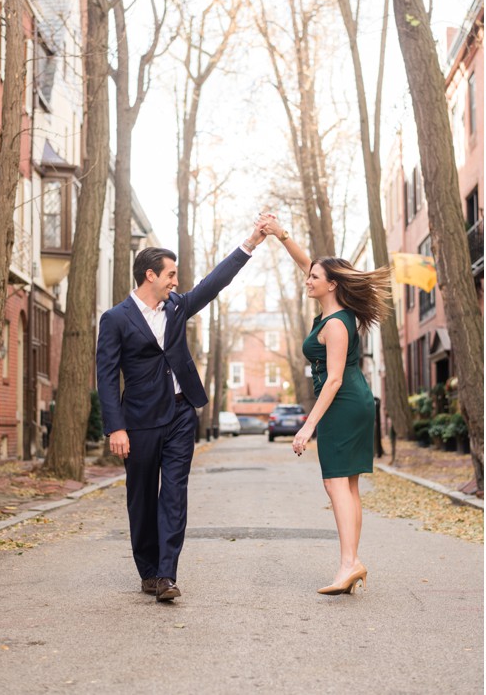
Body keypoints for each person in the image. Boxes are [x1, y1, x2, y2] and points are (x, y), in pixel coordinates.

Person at [96, 223, 269, 602]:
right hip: (139, 422)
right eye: (171, 274)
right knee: (141, 498)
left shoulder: (177, 307)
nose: (177, 281)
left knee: (174, 493)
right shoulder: (116, 319)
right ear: (150, 275)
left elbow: (214, 283)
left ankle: (167, 575)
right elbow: (106, 377)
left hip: (180, 415)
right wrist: (116, 428)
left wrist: (251, 243)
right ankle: (148, 570)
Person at [260, 218, 391, 595]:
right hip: (352, 399)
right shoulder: (330, 310)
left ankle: (349, 563)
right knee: (346, 485)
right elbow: (307, 263)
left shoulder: (335, 324)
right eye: (310, 274)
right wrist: (280, 233)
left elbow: (333, 379)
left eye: (315, 277)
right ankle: (351, 562)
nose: (308, 279)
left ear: (331, 284)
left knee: (336, 484)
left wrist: (306, 426)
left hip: (344, 402)